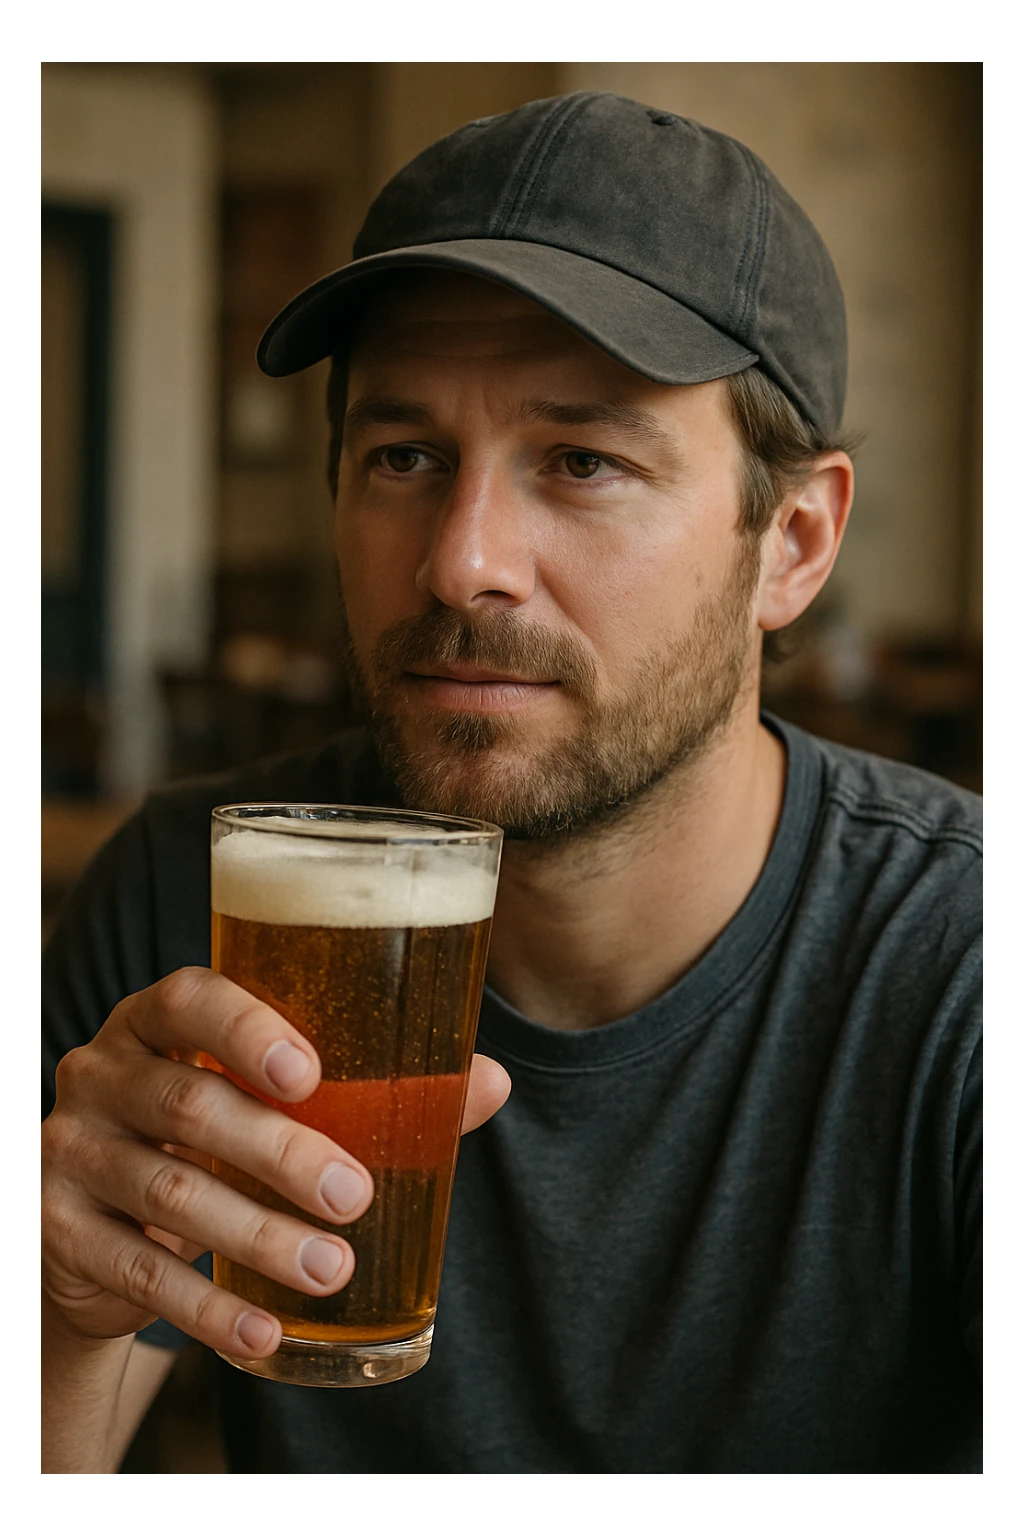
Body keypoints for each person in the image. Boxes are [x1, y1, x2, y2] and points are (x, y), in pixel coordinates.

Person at [41, 91, 981, 1473]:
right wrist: (61, 1319)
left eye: (584, 460)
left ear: (791, 542)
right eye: (404, 457)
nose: (458, 561)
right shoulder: (196, 896)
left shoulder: (967, 973)